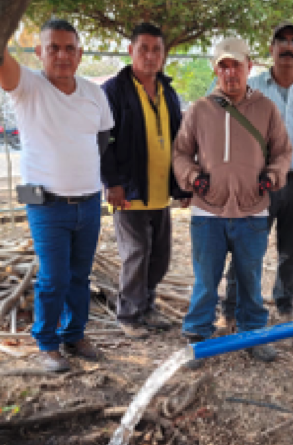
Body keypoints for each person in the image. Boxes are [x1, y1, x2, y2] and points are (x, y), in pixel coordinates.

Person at [0, 1, 115, 372]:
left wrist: (82, 175)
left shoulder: (94, 93)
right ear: (39, 53)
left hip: (88, 203)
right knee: (53, 277)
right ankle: (47, 343)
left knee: (79, 276)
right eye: (52, 48)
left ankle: (75, 334)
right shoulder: (28, 86)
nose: (61, 55)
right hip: (45, 203)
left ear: (80, 54)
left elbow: (102, 140)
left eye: (69, 48)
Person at [173, 37, 293, 367]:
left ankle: (253, 333)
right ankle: (198, 336)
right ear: (215, 69)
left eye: (235, 65)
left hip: (252, 211)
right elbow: (181, 153)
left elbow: (283, 151)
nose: (230, 73)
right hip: (207, 211)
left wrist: (273, 175)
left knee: (249, 277)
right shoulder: (199, 109)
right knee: (205, 279)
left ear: (248, 66)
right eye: (223, 66)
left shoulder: (266, 108)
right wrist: (193, 177)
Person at [221, 21, 293, 329]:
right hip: (258, 183)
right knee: (245, 247)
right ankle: (230, 308)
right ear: (271, 49)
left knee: (291, 252)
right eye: (281, 40)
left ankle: (284, 304)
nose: (288, 46)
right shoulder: (251, 87)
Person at [101, 23, 192, 339]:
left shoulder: (168, 91)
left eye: (157, 50)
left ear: (164, 55)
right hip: (129, 191)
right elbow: (104, 141)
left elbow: (180, 142)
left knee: (160, 256)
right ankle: (129, 315)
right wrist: (112, 182)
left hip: (159, 192)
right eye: (144, 49)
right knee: (137, 252)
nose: (150, 56)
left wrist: (182, 186)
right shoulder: (114, 91)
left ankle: (147, 305)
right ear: (131, 51)